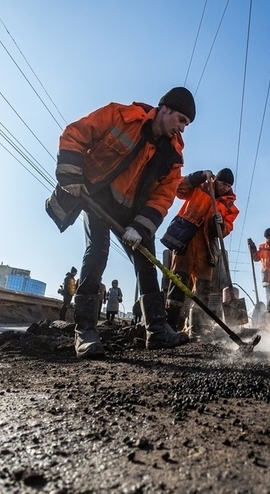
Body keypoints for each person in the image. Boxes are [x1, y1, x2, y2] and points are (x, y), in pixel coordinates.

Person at [47, 86, 196, 358]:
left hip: (133, 215)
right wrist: (71, 174)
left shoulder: (173, 158)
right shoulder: (120, 116)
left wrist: (139, 227)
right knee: (97, 253)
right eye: (181, 121)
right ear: (165, 109)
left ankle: (158, 331)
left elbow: (163, 197)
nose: (183, 129)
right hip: (98, 199)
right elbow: (75, 133)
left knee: (147, 263)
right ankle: (86, 332)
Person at [162, 168, 239, 337]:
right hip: (186, 239)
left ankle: (197, 328)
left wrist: (219, 224)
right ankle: (171, 324)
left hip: (206, 245)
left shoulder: (229, 205)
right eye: (222, 183)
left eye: (228, 185)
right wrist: (198, 176)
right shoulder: (201, 187)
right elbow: (179, 189)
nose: (225, 188)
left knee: (203, 287)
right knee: (178, 281)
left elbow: (226, 229)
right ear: (215, 181)